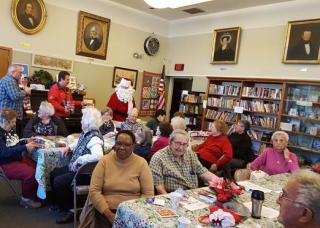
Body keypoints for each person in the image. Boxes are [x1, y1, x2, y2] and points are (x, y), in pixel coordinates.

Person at [79, 130, 154, 227]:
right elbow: (94, 191)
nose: (122, 147)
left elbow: (148, 194)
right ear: (115, 144)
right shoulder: (104, 161)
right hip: (106, 210)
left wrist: (134, 214)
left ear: (133, 146)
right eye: (118, 143)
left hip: (133, 211)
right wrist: (109, 215)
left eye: (127, 145)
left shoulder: (141, 163)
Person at [50, 107, 104, 224]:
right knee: (53, 173)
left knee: (59, 181)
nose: (80, 121)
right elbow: (79, 142)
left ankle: (70, 210)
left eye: (83, 119)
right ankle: (60, 203)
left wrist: (80, 159)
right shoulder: (87, 133)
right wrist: (69, 147)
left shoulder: (94, 138)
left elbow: (99, 156)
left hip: (85, 174)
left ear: (89, 122)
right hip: (77, 169)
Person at [149, 129, 218, 194]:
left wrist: (220, 182)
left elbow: (203, 172)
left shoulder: (190, 154)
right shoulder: (158, 158)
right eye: (178, 143)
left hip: (192, 194)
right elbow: (159, 188)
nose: (181, 148)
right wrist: (171, 200)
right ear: (170, 142)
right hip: (173, 196)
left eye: (184, 144)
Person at [0, 109, 40, 208]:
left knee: (38, 167)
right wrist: (24, 147)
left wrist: (25, 141)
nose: (14, 125)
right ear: (4, 122)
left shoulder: (9, 130)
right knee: (31, 173)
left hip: (16, 158)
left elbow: (14, 144)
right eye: (12, 122)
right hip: (6, 163)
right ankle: (26, 199)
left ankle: (34, 194)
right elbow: (4, 153)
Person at [0, 64, 31, 137]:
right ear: (12, 72)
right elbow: (15, 96)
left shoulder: (12, 80)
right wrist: (26, 91)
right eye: (20, 72)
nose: (21, 75)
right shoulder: (9, 81)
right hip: (8, 115)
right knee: (10, 137)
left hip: (10, 114)